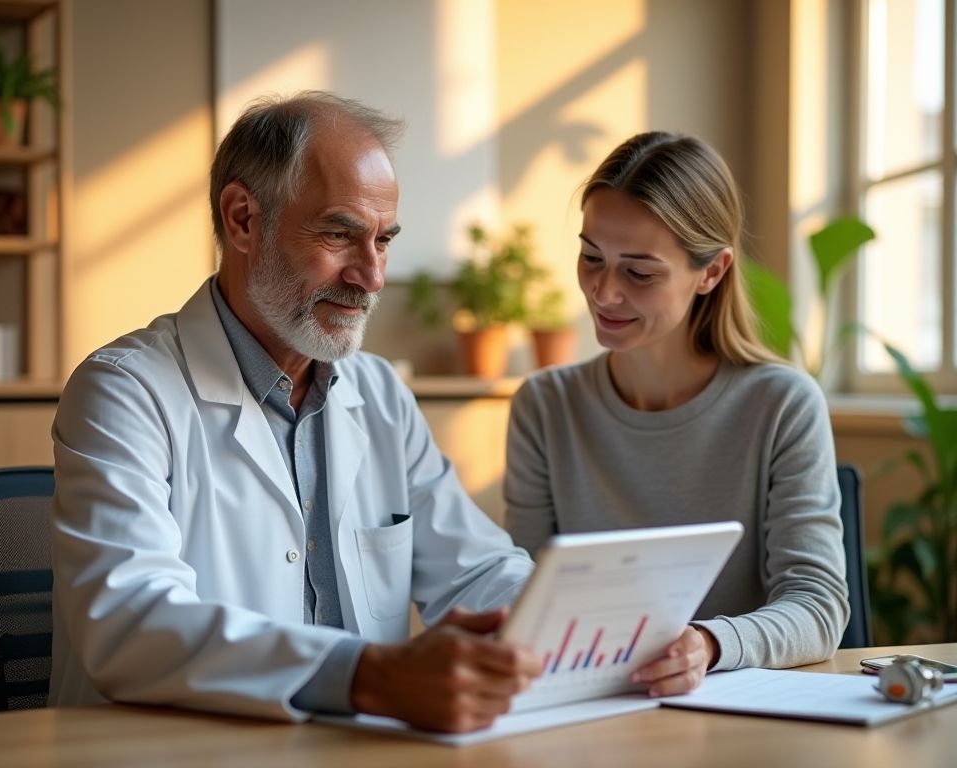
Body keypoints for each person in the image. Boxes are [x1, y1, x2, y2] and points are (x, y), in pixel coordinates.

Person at [49, 91, 542, 733]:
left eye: (383, 241)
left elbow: (477, 569)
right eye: (340, 234)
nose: (371, 277)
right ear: (243, 220)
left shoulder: (381, 394)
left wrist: (569, 621)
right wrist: (373, 678)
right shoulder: (124, 392)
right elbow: (132, 622)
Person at [504, 131, 849, 696]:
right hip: (590, 710)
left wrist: (709, 646)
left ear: (711, 272)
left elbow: (818, 607)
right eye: (591, 257)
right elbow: (525, 593)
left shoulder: (782, 404)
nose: (604, 292)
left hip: (740, 714)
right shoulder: (544, 407)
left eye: (639, 273)